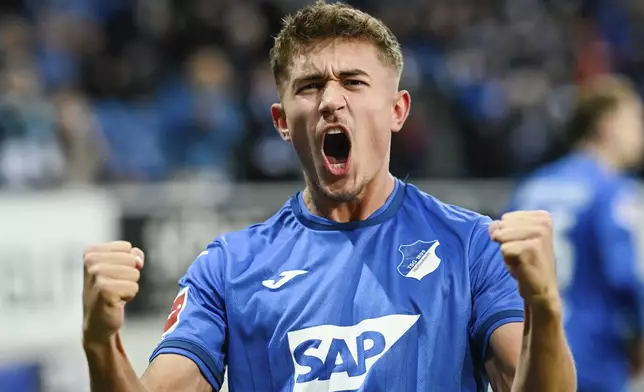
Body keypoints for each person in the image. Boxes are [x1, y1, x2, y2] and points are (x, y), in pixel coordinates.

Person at [81, 2, 576, 391]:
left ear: (397, 110)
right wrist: (102, 344)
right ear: (280, 122)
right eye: (311, 85)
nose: (332, 101)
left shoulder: (470, 248)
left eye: (354, 83)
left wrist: (545, 308)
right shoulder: (228, 269)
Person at [506, 74, 644, 391]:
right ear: (606, 125)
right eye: (634, 120)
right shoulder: (613, 191)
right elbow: (625, 275)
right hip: (596, 358)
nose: (640, 132)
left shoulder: (532, 186)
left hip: (531, 352)